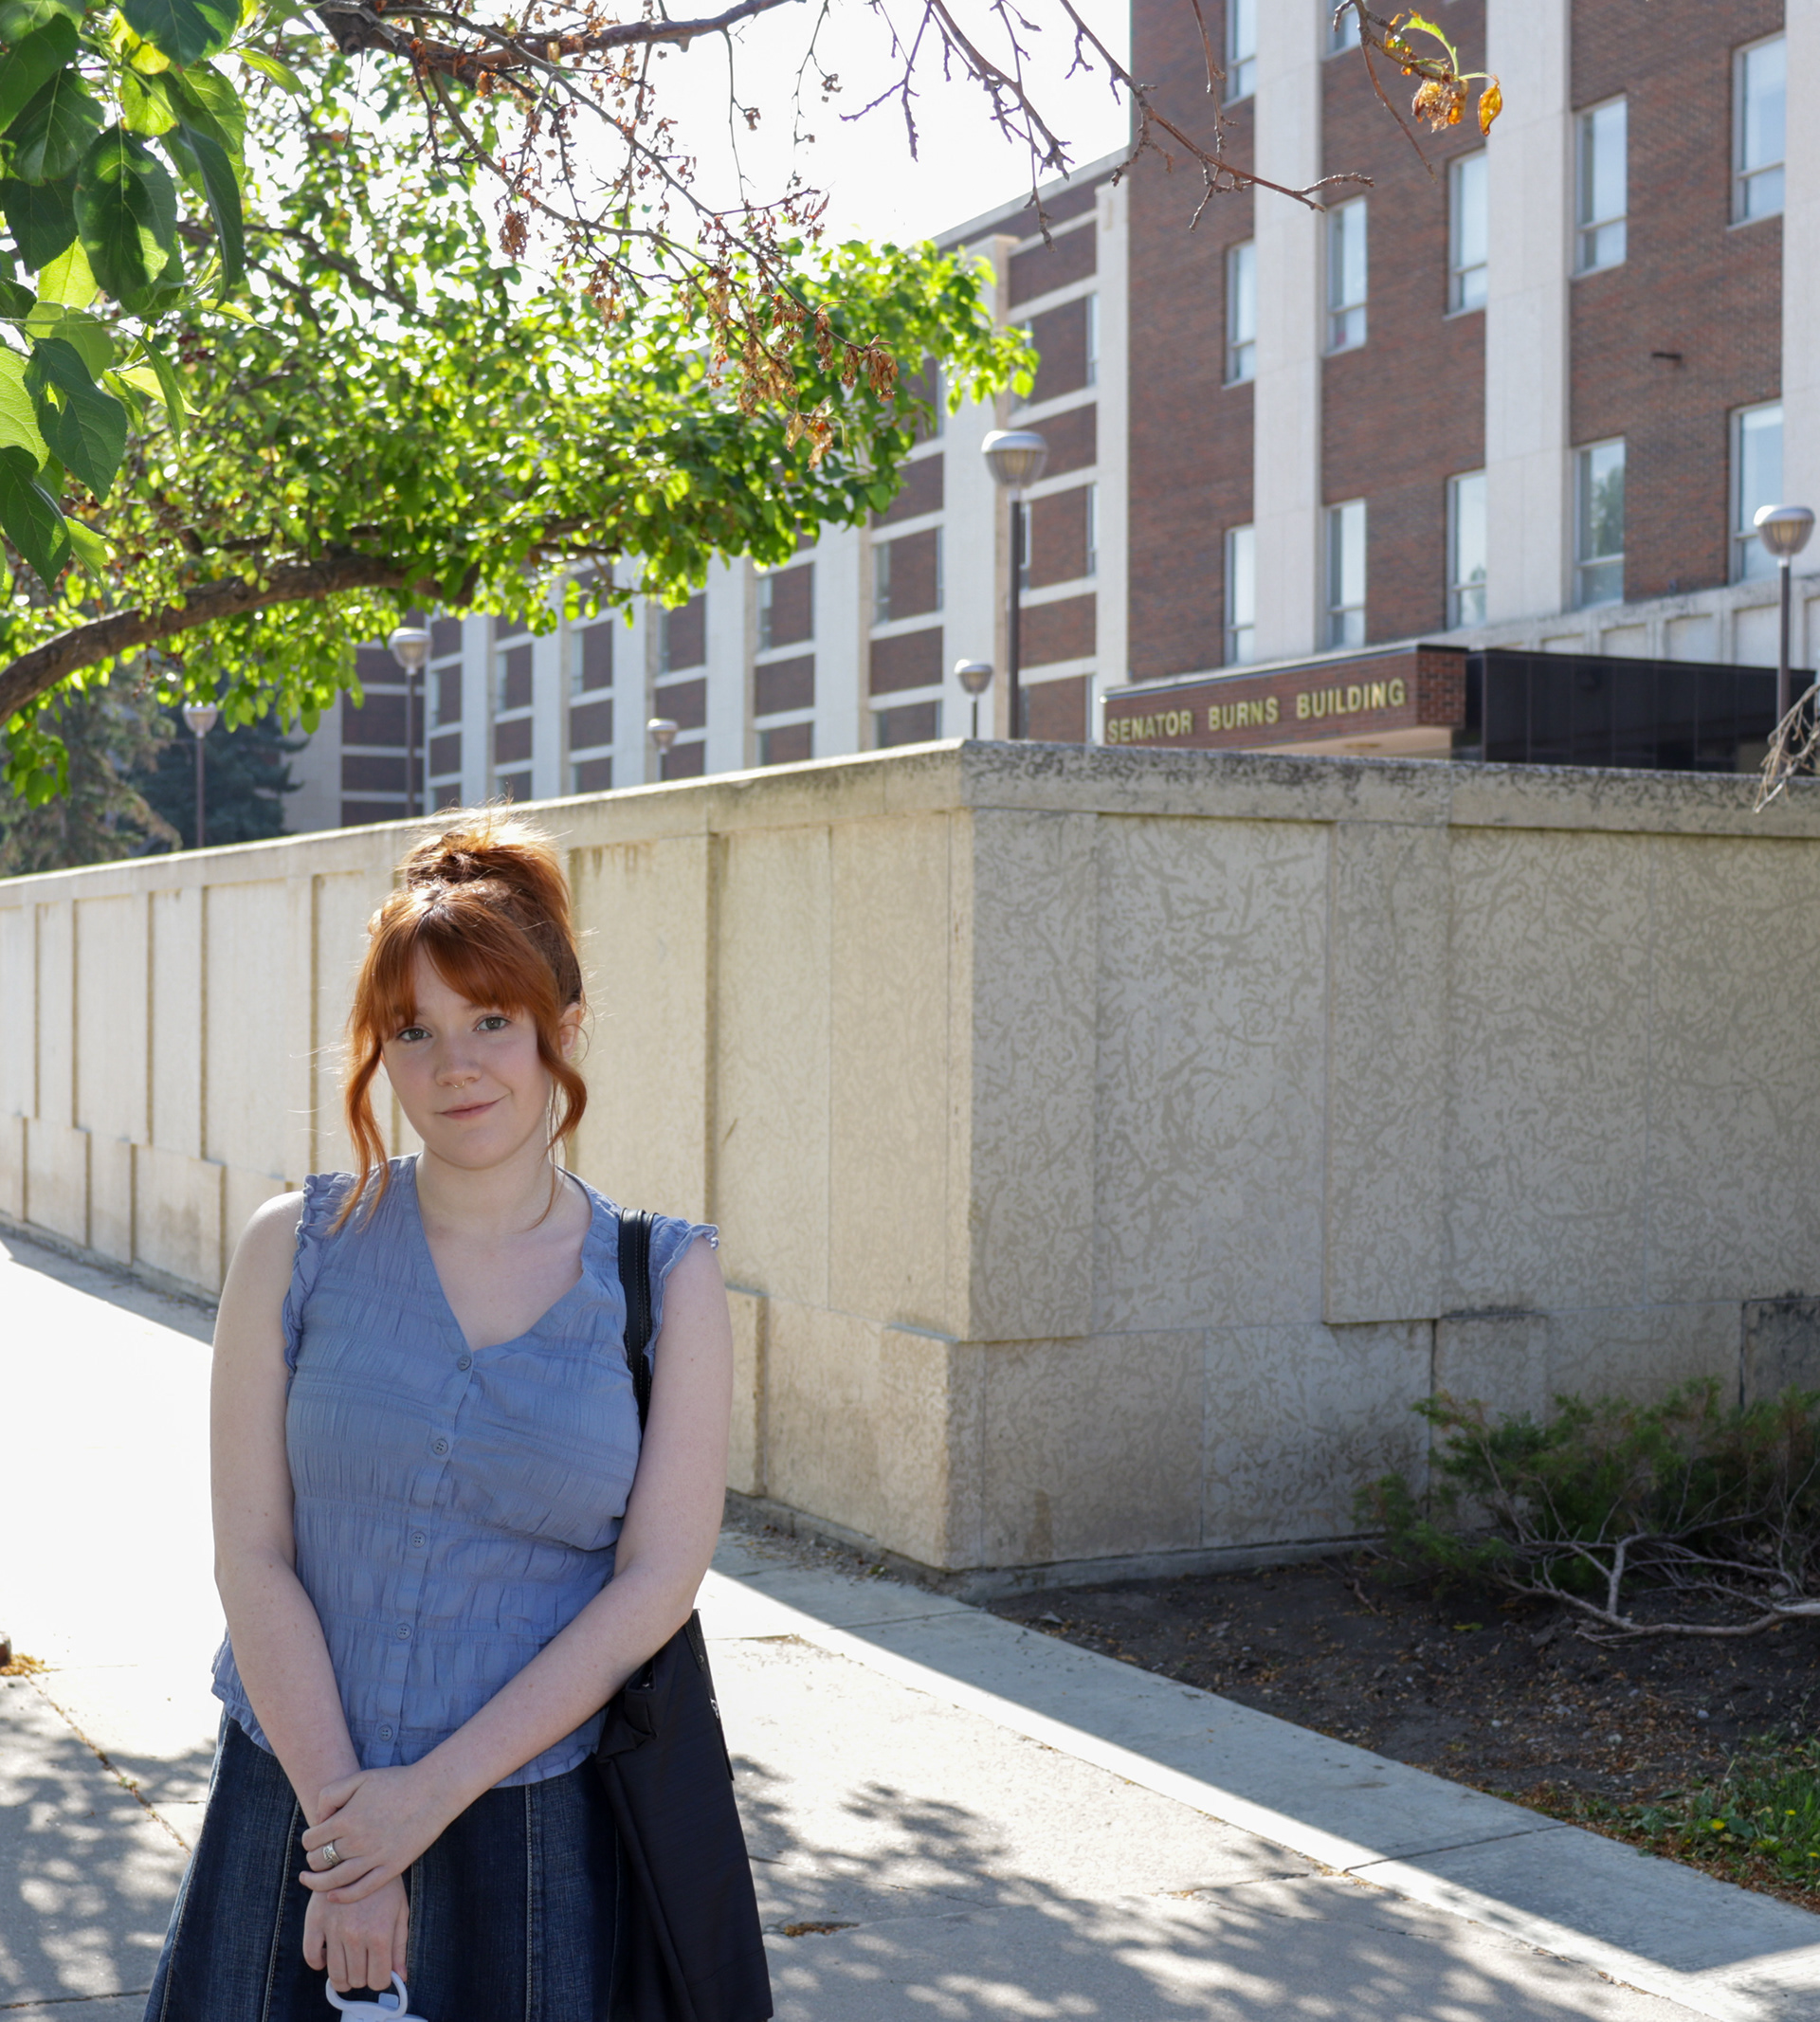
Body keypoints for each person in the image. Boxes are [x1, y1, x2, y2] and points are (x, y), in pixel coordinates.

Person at [145, 811, 734, 2020]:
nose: (453, 1065)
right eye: (413, 1030)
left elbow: (657, 1582)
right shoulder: (293, 1248)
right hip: (292, 1809)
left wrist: (421, 1801)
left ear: (561, 1032)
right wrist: (348, 1839)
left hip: (528, 1830)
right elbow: (250, 1555)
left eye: (490, 1023)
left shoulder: (664, 1279)